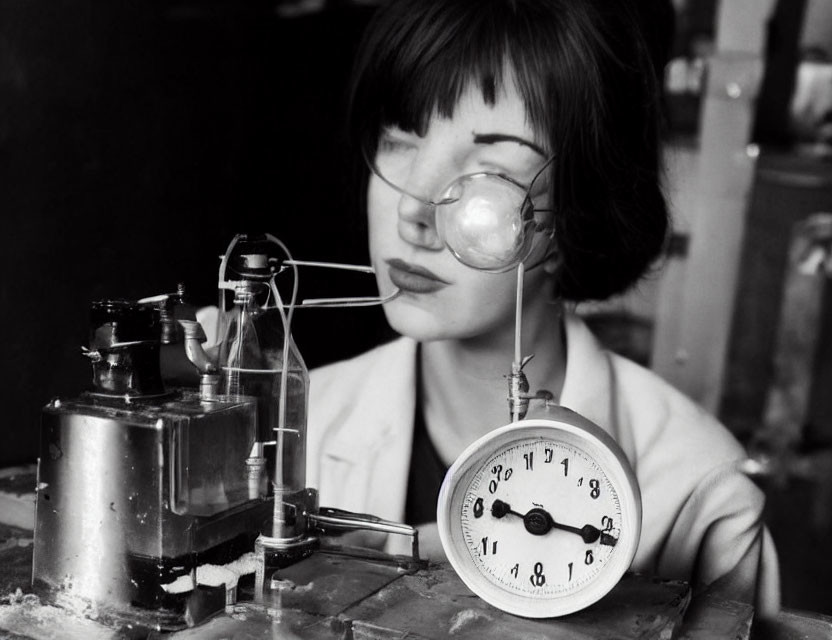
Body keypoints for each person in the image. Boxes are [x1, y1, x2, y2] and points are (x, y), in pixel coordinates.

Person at [305, 0, 780, 617]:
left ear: (577, 212)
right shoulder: (300, 425)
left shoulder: (700, 493)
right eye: (400, 140)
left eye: (488, 172)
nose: (411, 212)